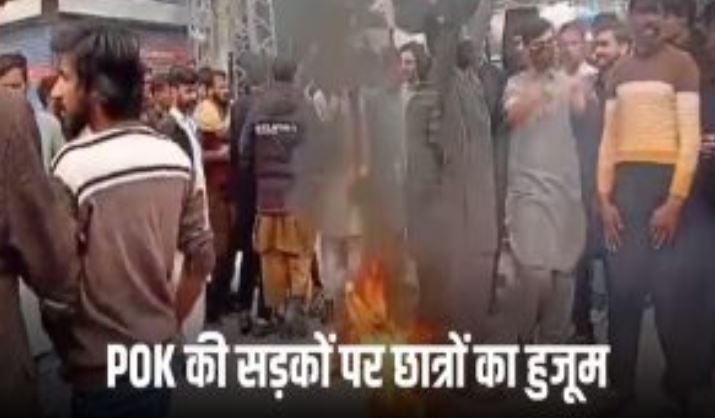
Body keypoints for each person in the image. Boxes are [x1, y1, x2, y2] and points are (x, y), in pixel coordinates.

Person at [48, 24, 214, 418]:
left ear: (96, 90)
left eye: (65, 77)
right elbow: (202, 259)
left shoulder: (72, 166)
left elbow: (58, 293)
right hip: (158, 360)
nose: (56, 91)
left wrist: (73, 352)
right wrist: (168, 323)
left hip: (102, 374)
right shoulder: (173, 157)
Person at [598, 0, 713, 410]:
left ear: (664, 19)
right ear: (630, 17)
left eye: (656, 12)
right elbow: (608, 142)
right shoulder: (618, 72)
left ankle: (679, 380)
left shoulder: (683, 65)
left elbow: (689, 142)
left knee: (671, 295)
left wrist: (675, 203)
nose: (649, 19)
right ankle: (621, 385)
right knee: (623, 293)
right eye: (642, 11)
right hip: (625, 191)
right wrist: (604, 200)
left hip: (667, 190)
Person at [397, 0, 498, 341]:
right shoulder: (431, 98)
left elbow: (479, 23)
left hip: (479, 228)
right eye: (461, 31)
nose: (472, 38)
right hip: (453, 237)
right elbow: (420, 180)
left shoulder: (473, 84)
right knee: (450, 323)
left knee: (472, 322)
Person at [502, 16, 586, 344]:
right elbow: (514, 115)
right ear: (524, 49)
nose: (548, 50)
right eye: (539, 46)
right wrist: (542, 84)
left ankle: (552, 347)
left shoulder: (568, 81)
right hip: (528, 195)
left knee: (563, 279)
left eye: (551, 43)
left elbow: (582, 110)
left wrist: (572, 81)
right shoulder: (515, 84)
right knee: (534, 277)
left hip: (565, 195)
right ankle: (522, 340)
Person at [240, 56, 317, 337]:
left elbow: (244, 149)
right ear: (295, 75)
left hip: (267, 199)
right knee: (301, 254)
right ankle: (296, 304)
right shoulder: (305, 107)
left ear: (271, 75)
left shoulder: (258, 107)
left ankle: (278, 309)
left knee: (271, 257)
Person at [569, 15, 631, 344]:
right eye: (595, 45)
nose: (597, 52)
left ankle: (620, 351)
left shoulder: (635, 89)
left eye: (604, 45)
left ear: (625, 47)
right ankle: (583, 335)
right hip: (585, 192)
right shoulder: (588, 87)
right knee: (579, 269)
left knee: (619, 277)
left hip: (623, 197)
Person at [195, 68, 235, 324]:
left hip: (226, 190)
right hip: (212, 191)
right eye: (220, 86)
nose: (225, 90)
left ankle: (222, 298)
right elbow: (199, 152)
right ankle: (211, 306)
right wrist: (220, 155)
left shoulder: (224, 110)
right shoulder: (205, 113)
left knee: (228, 248)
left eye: (226, 86)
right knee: (218, 249)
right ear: (209, 90)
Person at [0, 52, 66, 170]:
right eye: (5, 87)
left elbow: (63, 167)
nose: (12, 93)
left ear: (27, 85)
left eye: (16, 86)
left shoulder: (49, 124)